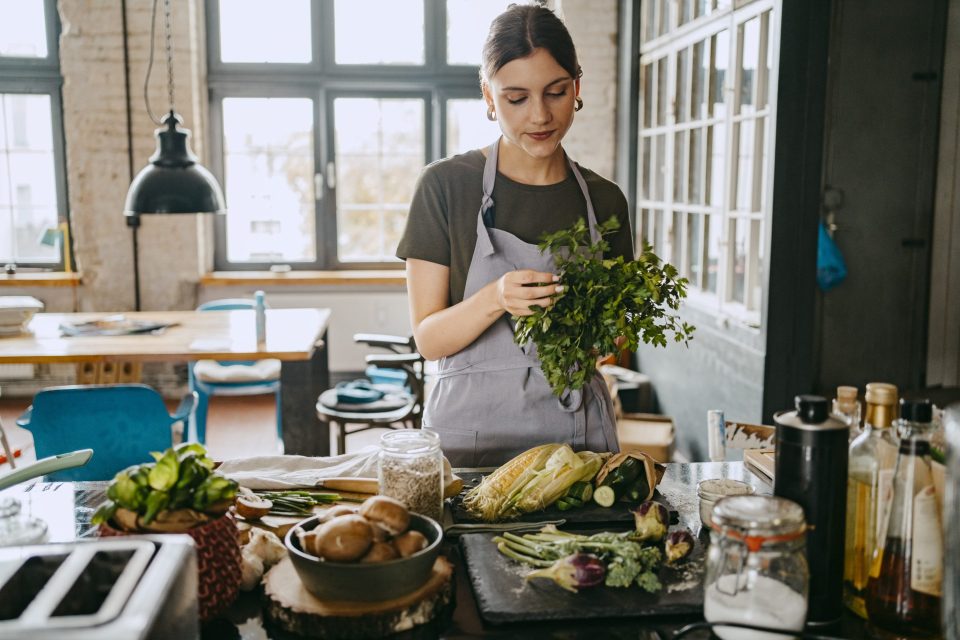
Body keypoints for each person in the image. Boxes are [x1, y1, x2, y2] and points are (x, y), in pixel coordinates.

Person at [396, 4, 633, 467]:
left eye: (556, 92)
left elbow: (613, 344)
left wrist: (605, 334)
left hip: (576, 440)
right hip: (470, 442)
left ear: (577, 87)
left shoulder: (604, 202)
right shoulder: (446, 187)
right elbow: (428, 339)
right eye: (516, 98)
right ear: (488, 97)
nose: (540, 115)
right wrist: (497, 298)